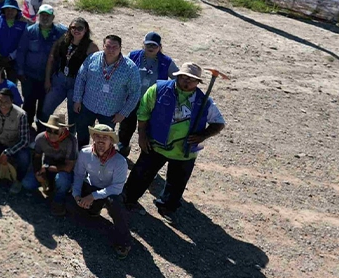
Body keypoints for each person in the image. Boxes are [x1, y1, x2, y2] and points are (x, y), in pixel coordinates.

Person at [123, 62, 226, 223]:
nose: (187, 81)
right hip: (155, 143)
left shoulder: (204, 101)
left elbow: (219, 123)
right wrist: (142, 134)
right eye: (184, 77)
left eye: (191, 79)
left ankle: (167, 206)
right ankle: (127, 199)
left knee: (177, 182)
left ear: (198, 82)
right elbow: (143, 111)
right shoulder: (158, 89)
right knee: (141, 174)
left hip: (184, 151)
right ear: (177, 76)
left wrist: (203, 135)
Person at [67, 123, 133, 259]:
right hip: (92, 187)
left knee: (116, 203)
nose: (101, 140)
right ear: (93, 138)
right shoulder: (85, 153)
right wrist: (77, 195)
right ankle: (93, 210)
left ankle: (124, 242)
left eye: (105, 137)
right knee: (71, 204)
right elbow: (79, 175)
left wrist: (92, 196)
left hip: (111, 192)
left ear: (111, 141)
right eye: (98, 136)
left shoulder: (120, 161)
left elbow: (116, 187)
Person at [73, 35, 140, 149]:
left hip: (110, 112)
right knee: (82, 134)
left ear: (120, 48)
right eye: (108, 46)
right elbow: (81, 78)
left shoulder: (130, 68)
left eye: (115, 47)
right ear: (103, 46)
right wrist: (77, 99)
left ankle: (102, 157)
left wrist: (123, 113)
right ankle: (82, 154)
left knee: (105, 140)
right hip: (88, 106)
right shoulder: (92, 58)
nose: (111, 50)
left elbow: (135, 93)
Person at [121, 32, 179, 157]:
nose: (151, 48)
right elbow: (121, 71)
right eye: (148, 45)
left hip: (152, 103)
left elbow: (178, 79)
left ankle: (146, 156)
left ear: (160, 47)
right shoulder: (133, 56)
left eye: (154, 45)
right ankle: (122, 151)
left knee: (148, 130)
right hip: (131, 99)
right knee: (126, 127)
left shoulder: (166, 62)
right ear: (143, 44)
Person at [15, 4, 67, 125]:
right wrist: (20, 71)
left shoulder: (61, 32)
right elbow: (21, 51)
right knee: (28, 104)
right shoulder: (29, 31)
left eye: (47, 15)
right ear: (38, 16)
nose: (45, 18)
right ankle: (27, 127)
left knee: (45, 106)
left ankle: (41, 129)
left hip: (49, 77)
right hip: (30, 76)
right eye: (42, 15)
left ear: (53, 17)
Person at [24, 110, 77, 215]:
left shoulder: (71, 141)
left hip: (62, 171)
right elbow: (37, 157)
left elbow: (68, 167)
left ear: (63, 130)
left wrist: (47, 168)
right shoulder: (40, 138)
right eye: (49, 130)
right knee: (27, 183)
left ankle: (58, 201)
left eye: (56, 131)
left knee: (62, 180)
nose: (52, 134)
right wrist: (38, 172)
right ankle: (48, 187)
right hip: (47, 167)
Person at [0, 88, 32, 193]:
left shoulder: (21, 115)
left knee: (24, 157)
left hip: (14, 146)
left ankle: (18, 180)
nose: (3, 104)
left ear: (12, 101)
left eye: (6, 102)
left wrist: (7, 153)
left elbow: (25, 140)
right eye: (0, 101)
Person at [0, 0, 27, 79]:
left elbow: (23, 44)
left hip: (14, 60)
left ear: (17, 11)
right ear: (3, 10)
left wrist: (10, 57)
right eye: (7, 9)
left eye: (13, 9)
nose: (10, 12)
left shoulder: (23, 24)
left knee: (12, 82)